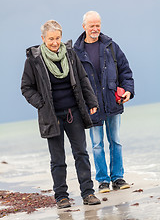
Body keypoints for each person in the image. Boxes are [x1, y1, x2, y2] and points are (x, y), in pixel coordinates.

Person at [21, 20, 101, 208]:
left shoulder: (71, 55)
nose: (55, 42)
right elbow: (26, 87)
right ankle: (61, 197)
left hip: (74, 113)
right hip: (52, 116)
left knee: (81, 153)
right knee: (58, 160)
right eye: (51, 39)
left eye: (57, 38)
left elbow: (82, 79)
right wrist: (41, 104)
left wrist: (92, 102)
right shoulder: (34, 60)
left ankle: (88, 193)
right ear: (43, 39)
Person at [74, 11, 134, 193]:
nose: (95, 29)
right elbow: (75, 81)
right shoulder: (76, 52)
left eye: (98, 25)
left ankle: (118, 177)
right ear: (84, 26)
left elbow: (125, 70)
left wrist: (129, 90)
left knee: (115, 141)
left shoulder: (111, 46)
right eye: (91, 25)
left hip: (113, 103)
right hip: (92, 107)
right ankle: (103, 181)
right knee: (97, 145)